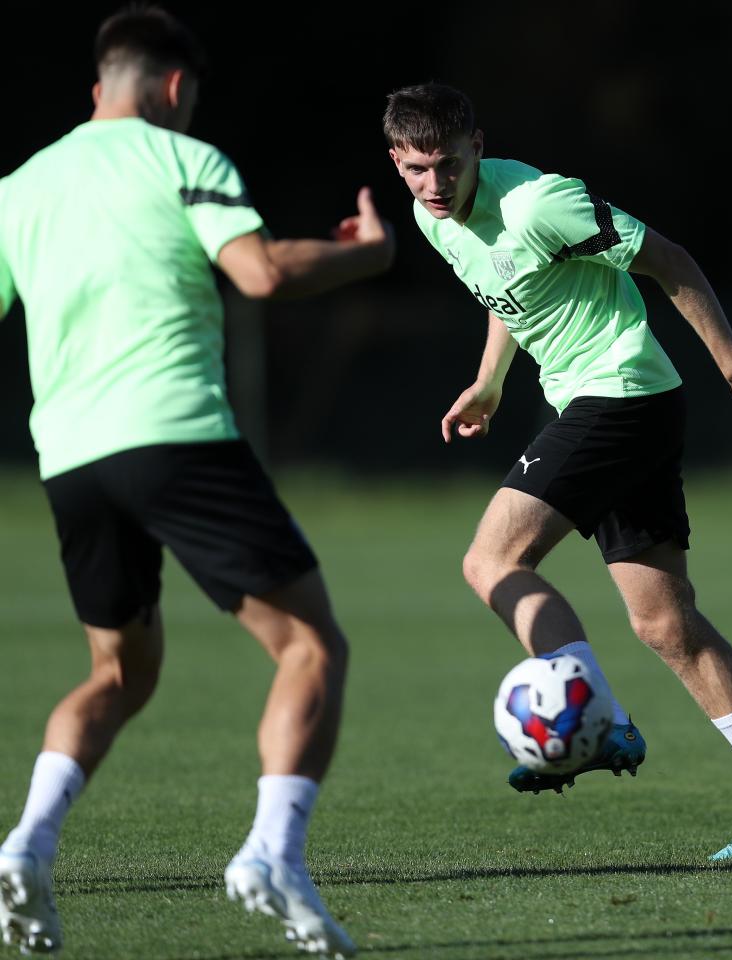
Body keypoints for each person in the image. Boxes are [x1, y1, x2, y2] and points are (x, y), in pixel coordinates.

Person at [0, 8, 394, 956]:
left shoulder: (19, 187)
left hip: (71, 462)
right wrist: (368, 254)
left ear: (100, 84)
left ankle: (27, 842)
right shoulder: (186, 159)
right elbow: (257, 273)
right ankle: (271, 853)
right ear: (175, 87)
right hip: (175, 437)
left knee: (118, 671)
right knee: (310, 644)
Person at [383, 82, 732, 859]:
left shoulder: (541, 202)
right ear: (397, 162)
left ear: (477, 146)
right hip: (620, 403)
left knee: (491, 560)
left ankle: (594, 719)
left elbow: (670, 260)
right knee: (663, 620)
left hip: (618, 395)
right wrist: (489, 383)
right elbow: (507, 288)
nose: (435, 183)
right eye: (417, 168)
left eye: (448, 164)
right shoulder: (433, 217)